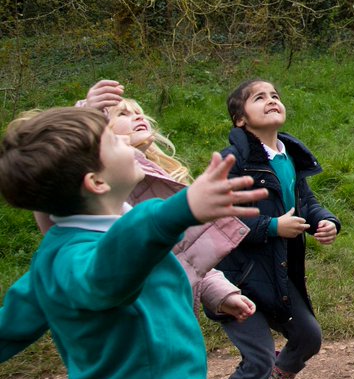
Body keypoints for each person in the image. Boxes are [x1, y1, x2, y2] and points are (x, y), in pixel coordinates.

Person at [0, 107, 265, 379]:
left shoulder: (65, 252)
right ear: (96, 182)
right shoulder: (79, 258)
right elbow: (107, 272)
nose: (125, 139)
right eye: (113, 139)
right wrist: (176, 211)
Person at [205, 79, 341, 379]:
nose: (271, 100)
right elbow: (220, 218)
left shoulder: (288, 156)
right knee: (259, 358)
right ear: (240, 118)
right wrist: (270, 228)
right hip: (236, 280)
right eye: (258, 97)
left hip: (279, 276)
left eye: (276, 95)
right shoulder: (234, 160)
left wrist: (325, 222)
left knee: (308, 337)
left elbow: (305, 201)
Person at [35, 81, 255, 321]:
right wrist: (86, 115)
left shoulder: (157, 178)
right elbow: (55, 176)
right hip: (134, 322)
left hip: (172, 316)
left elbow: (183, 254)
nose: (138, 118)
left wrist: (221, 293)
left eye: (139, 114)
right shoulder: (104, 185)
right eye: (123, 114)